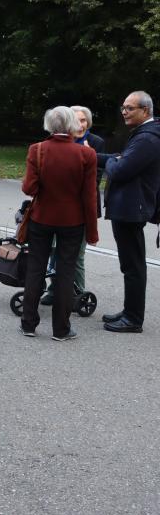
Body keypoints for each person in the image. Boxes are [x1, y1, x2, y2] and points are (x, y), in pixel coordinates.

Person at [18, 106, 99, 341]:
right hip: (73, 222)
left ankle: (28, 324)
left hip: (41, 218)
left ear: (49, 125)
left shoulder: (38, 150)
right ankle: (61, 329)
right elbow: (89, 197)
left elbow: (28, 188)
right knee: (66, 272)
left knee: (35, 269)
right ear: (72, 125)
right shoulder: (87, 155)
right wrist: (92, 232)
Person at [97, 91, 160, 333]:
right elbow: (119, 160)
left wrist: (114, 161)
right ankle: (130, 311)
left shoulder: (147, 139)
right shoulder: (144, 134)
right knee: (130, 264)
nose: (124, 111)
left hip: (132, 208)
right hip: (129, 207)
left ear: (145, 111)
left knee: (133, 265)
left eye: (130, 108)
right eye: (123, 107)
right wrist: (93, 156)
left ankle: (133, 318)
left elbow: (121, 169)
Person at [39, 105, 106, 305]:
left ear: (88, 122)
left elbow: (95, 180)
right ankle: (54, 289)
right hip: (59, 207)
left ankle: (77, 294)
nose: (79, 124)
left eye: (83, 120)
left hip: (83, 206)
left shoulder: (95, 144)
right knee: (54, 251)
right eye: (75, 119)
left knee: (76, 255)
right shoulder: (58, 142)